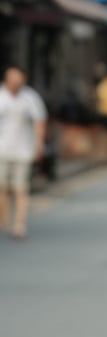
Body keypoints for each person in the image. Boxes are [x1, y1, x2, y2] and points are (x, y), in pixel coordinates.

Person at [0, 65, 47, 239]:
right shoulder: (1, 97)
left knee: (21, 189)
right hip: (2, 151)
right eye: (11, 79)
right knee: (2, 187)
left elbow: (39, 121)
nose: (15, 83)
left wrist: (39, 144)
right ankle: (4, 218)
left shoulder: (30, 98)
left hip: (23, 150)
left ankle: (19, 224)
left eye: (18, 79)